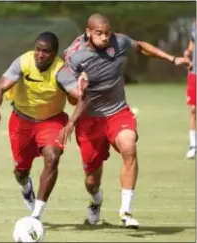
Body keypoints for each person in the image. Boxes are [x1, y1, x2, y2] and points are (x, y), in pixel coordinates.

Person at [56, 13, 192, 228]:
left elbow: (141, 47)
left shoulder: (118, 42)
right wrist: (78, 90)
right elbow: (70, 95)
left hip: (118, 111)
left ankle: (126, 210)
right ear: (88, 32)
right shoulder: (74, 56)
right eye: (99, 34)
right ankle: (96, 201)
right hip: (90, 119)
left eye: (107, 33)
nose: (104, 38)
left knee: (129, 146)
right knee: (92, 180)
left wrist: (172, 59)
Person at [0, 31, 76, 221]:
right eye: (38, 49)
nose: (40, 54)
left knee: (52, 157)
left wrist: (80, 92)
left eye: (46, 51)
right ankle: (26, 187)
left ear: (54, 54)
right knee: (21, 171)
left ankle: (36, 214)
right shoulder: (23, 62)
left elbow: (79, 98)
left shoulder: (62, 71)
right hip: (21, 120)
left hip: (51, 120)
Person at [183, 20, 196, 159]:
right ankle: (193, 145)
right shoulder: (194, 24)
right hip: (194, 73)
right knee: (193, 110)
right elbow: (192, 43)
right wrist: (188, 52)